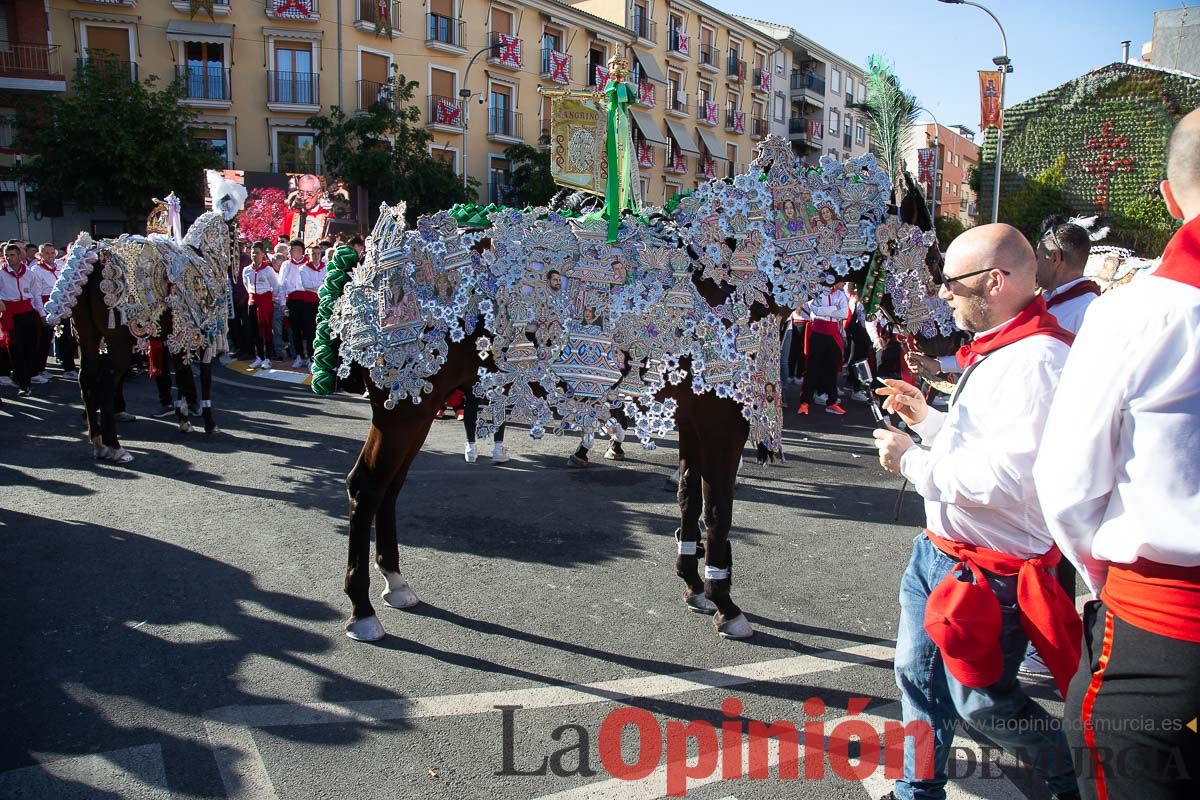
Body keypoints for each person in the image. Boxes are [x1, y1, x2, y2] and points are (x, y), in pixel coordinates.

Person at [871, 224, 1081, 800]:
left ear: (995, 281)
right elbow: (980, 446)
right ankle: (919, 788)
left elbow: (1005, 478)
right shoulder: (1008, 346)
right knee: (917, 678)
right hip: (942, 553)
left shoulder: (1037, 358)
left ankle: (1076, 772)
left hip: (990, 571)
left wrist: (913, 461)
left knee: (980, 700)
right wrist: (927, 421)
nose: (942, 293)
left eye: (951, 282)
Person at [1033, 110, 1200, 800]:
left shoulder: (1140, 312)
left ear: (1167, 195)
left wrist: (1104, 580)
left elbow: (1068, 484)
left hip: (1163, 627)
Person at [1035, 219, 1100, 335]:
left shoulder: (1088, 311)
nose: (1035, 265)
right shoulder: (1047, 299)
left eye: (1038, 257)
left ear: (1055, 258)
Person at [797, 282, 848, 415]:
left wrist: (827, 310)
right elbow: (815, 309)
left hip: (833, 334)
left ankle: (831, 402)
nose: (842, 283)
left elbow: (844, 313)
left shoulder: (841, 294)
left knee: (831, 369)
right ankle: (805, 402)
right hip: (818, 332)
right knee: (813, 368)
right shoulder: (818, 291)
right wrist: (833, 308)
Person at [29, 242, 77, 381]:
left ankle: (69, 368)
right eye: (46, 253)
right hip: (47, 306)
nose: (50, 255)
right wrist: (42, 314)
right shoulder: (36, 270)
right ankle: (39, 368)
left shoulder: (60, 266)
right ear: (41, 255)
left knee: (65, 337)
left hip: (62, 306)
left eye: (51, 253)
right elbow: (36, 294)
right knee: (44, 340)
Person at [0, 242, 43, 396]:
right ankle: (24, 384)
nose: (9, 258)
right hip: (10, 315)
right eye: (6, 256)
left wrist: (42, 314)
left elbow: (36, 295)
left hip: (28, 314)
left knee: (30, 348)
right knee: (16, 349)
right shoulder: (1, 273)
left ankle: (24, 378)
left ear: (19, 256)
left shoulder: (30, 274)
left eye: (12, 255)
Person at [278, 239, 324, 369]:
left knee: (310, 330)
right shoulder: (286, 265)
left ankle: (310, 356)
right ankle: (299, 355)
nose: (292, 252)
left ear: (301, 251)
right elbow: (281, 284)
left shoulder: (308, 265)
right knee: (295, 329)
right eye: (291, 250)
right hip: (293, 300)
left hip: (308, 300)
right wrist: (282, 303)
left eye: (294, 249)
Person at [242, 242, 279, 369]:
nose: (254, 255)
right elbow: (247, 285)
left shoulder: (268, 270)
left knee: (267, 330)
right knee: (254, 330)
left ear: (263, 254)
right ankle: (259, 357)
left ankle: (268, 358)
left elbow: (276, 286)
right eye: (253, 252)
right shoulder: (246, 270)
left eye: (257, 253)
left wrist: (271, 298)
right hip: (252, 301)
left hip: (265, 302)